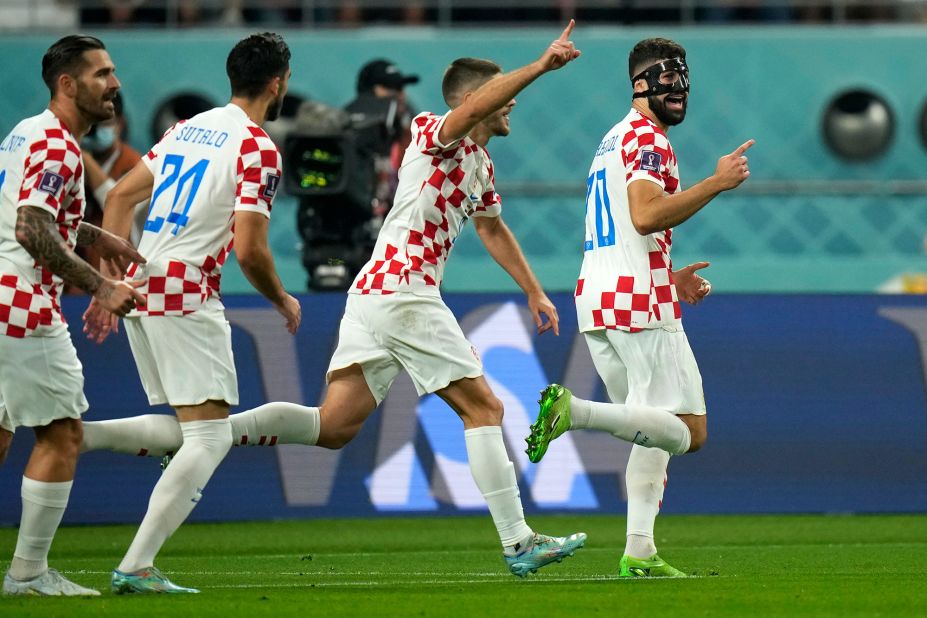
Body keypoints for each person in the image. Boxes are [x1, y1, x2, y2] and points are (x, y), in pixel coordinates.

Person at [83, 20, 586, 578]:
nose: (510, 105)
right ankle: (518, 543)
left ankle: (214, 437)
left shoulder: (479, 164)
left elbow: (492, 228)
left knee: (333, 427)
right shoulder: (433, 132)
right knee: (484, 409)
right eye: (504, 95)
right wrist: (538, 66)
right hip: (405, 290)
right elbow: (465, 116)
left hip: (376, 295)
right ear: (474, 100)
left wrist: (535, 290)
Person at [524, 37, 753, 578]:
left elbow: (624, 230)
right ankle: (573, 412)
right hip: (638, 305)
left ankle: (640, 553)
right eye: (670, 81)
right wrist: (716, 184)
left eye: (685, 83)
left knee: (649, 431)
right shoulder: (649, 140)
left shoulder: (611, 140)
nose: (680, 92)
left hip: (600, 298)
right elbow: (647, 216)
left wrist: (668, 276)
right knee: (688, 430)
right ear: (641, 83)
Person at [83, 32, 301, 594]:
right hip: (185, 292)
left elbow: (119, 198)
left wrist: (112, 280)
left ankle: (71, 436)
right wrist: (280, 298)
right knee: (209, 438)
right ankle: (135, 567)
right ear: (277, 83)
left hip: (142, 285)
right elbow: (251, 250)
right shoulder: (257, 147)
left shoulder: (187, 129)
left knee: (190, 432)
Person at [0, 34, 146, 596]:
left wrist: (96, 234)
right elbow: (30, 230)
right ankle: (29, 574)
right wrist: (102, 287)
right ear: (67, 84)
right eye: (102, 74)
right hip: (21, 307)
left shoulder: (26, 133)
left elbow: (39, 219)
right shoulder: (59, 147)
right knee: (62, 433)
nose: (115, 84)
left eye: (113, 72)